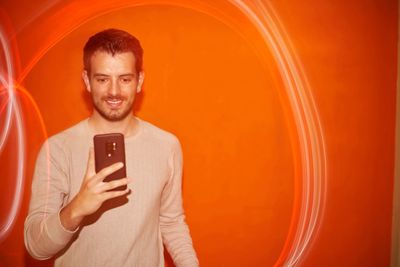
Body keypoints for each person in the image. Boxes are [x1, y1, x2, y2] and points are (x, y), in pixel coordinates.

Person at [24, 28, 199, 267]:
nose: (114, 92)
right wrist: (77, 208)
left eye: (125, 79)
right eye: (103, 79)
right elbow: (35, 246)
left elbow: (171, 222)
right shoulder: (57, 149)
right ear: (87, 80)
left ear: (140, 81)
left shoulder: (167, 145)